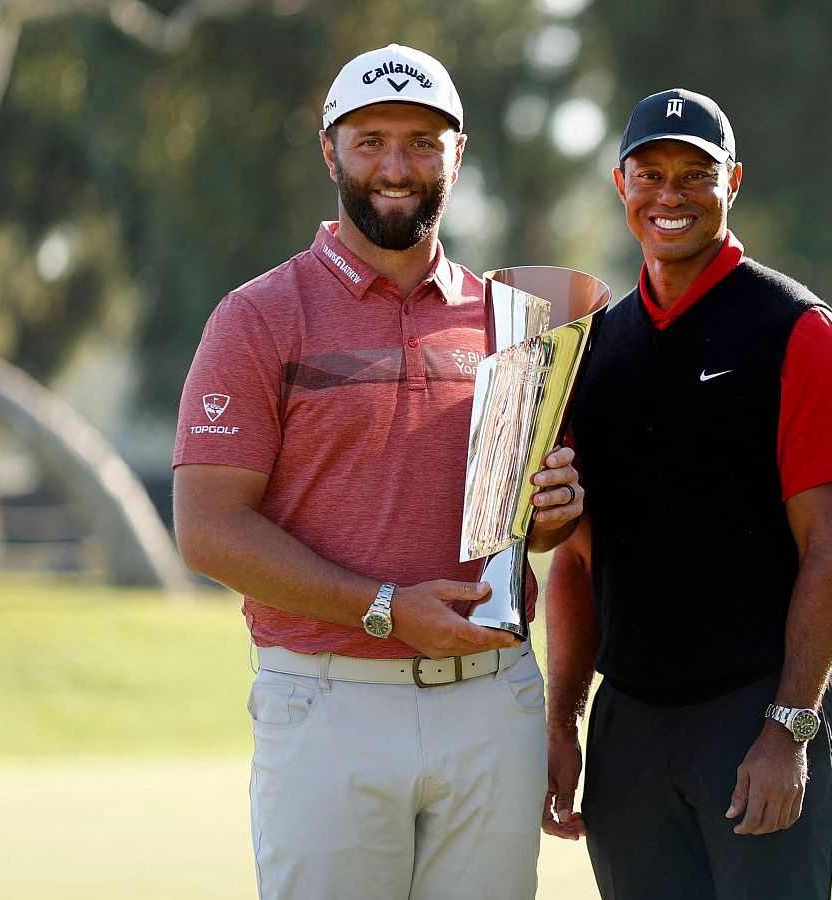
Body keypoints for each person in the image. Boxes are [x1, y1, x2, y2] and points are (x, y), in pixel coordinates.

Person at [171, 44, 581, 900]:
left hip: (492, 700)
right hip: (328, 702)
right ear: (330, 151)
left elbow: (528, 532)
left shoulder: (513, 320)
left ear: (458, 154)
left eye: (423, 143)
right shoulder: (258, 317)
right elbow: (207, 529)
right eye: (370, 141)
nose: (396, 167)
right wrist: (386, 608)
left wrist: (554, 512)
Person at [542, 88, 832, 899]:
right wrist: (563, 721)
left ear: (734, 183)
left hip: (757, 713)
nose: (671, 194)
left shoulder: (799, 331)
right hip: (630, 728)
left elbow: (830, 546)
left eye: (696, 174)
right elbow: (576, 563)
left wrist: (788, 729)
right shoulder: (593, 349)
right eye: (650, 174)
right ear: (621, 185)